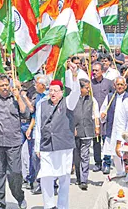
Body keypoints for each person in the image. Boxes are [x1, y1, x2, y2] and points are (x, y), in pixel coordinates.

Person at [34, 63, 80, 209]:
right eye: (51, 90)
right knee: (46, 176)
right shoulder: (42, 104)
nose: (53, 93)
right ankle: (48, 205)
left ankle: (62, 206)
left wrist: (74, 75)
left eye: (56, 91)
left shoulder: (68, 102)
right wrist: (37, 147)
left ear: (61, 92)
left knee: (64, 177)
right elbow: (38, 127)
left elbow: (76, 93)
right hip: (47, 145)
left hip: (64, 145)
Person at [0, 75, 28, 209]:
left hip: (13, 141)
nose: (4, 88)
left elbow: (25, 114)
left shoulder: (15, 97)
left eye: (6, 85)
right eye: (1, 85)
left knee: (14, 173)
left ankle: (19, 196)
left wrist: (19, 97)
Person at [100, 76, 128, 176]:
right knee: (114, 153)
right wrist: (103, 115)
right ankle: (119, 173)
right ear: (114, 86)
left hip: (125, 131)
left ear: (126, 86)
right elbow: (103, 111)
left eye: (122, 84)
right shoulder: (110, 97)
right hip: (112, 129)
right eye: (118, 84)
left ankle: (127, 173)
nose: (120, 86)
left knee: (125, 153)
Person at [73, 78, 100, 190]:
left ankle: (84, 180)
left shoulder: (92, 100)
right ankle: (79, 177)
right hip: (75, 132)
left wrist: (97, 127)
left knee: (85, 156)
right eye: (86, 88)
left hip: (87, 131)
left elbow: (96, 114)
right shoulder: (72, 100)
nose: (89, 90)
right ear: (80, 88)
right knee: (76, 156)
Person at [26, 73, 50, 193]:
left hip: (46, 133)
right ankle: (39, 182)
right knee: (35, 158)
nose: (35, 85)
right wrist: (30, 128)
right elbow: (35, 114)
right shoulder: (39, 97)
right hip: (37, 131)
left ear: (43, 85)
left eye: (37, 83)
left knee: (45, 159)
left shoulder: (50, 97)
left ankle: (49, 183)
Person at [91, 62, 114, 173]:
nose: (94, 72)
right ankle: (97, 162)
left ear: (102, 71)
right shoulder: (90, 84)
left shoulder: (109, 83)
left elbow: (114, 97)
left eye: (96, 70)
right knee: (96, 141)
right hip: (94, 118)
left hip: (106, 117)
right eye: (93, 70)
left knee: (106, 141)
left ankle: (107, 162)